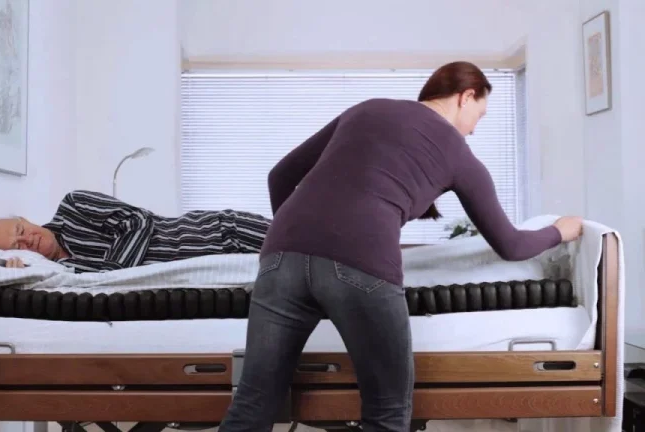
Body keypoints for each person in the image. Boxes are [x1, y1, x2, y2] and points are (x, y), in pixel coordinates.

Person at [218, 61, 584, 432]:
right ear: (466, 96)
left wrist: (305, 241)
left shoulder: (367, 109)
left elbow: (279, 176)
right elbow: (511, 244)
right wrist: (559, 231)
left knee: (252, 404)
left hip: (280, 256)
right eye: (480, 115)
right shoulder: (457, 153)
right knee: (387, 413)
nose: (475, 129)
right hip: (360, 262)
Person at [0, 190, 271, 272]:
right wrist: (20, 270)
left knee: (299, 244)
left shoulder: (73, 206)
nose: (27, 239)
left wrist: (114, 270)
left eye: (20, 229)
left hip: (221, 232)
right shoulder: (59, 273)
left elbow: (137, 220)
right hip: (219, 259)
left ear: (25, 219)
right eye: (17, 246)